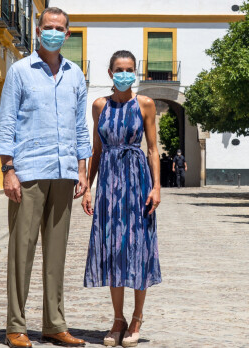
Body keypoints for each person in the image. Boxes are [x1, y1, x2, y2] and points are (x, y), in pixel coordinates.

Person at [0, 7, 91, 348]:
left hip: (64, 173)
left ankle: (54, 324)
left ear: (68, 34)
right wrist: (8, 171)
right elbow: (6, 123)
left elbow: (81, 127)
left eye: (59, 28)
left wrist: (82, 171)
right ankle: (15, 326)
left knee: (57, 253)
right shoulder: (20, 71)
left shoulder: (76, 75)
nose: (53, 32)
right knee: (22, 251)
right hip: (29, 172)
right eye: (47, 27)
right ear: (38, 31)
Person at [82, 50, 162, 348]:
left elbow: (153, 149)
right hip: (109, 185)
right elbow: (97, 150)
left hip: (138, 182)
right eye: (119, 68)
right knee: (114, 248)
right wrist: (88, 186)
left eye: (129, 69)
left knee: (138, 247)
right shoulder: (99, 105)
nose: (124, 73)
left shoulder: (145, 104)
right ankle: (118, 319)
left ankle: (137, 317)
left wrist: (156, 187)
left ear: (135, 72)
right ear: (110, 72)